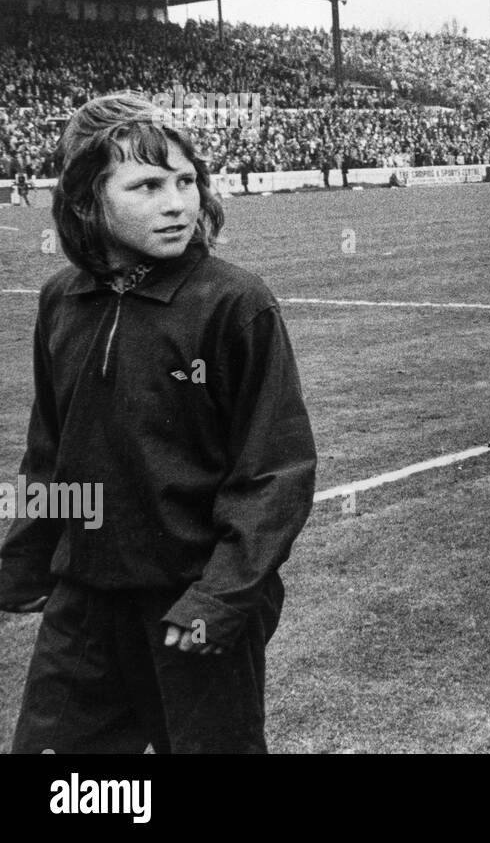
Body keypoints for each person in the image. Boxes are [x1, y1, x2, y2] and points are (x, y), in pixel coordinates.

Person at [0, 93, 317, 753]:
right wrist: (22, 560)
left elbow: (274, 474)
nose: (177, 202)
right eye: (146, 185)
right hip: (84, 605)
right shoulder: (62, 300)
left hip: (194, 607)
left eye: (186, 181)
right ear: (87, 200)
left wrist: (219, 599)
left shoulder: (235, 304)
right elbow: (50, 453)